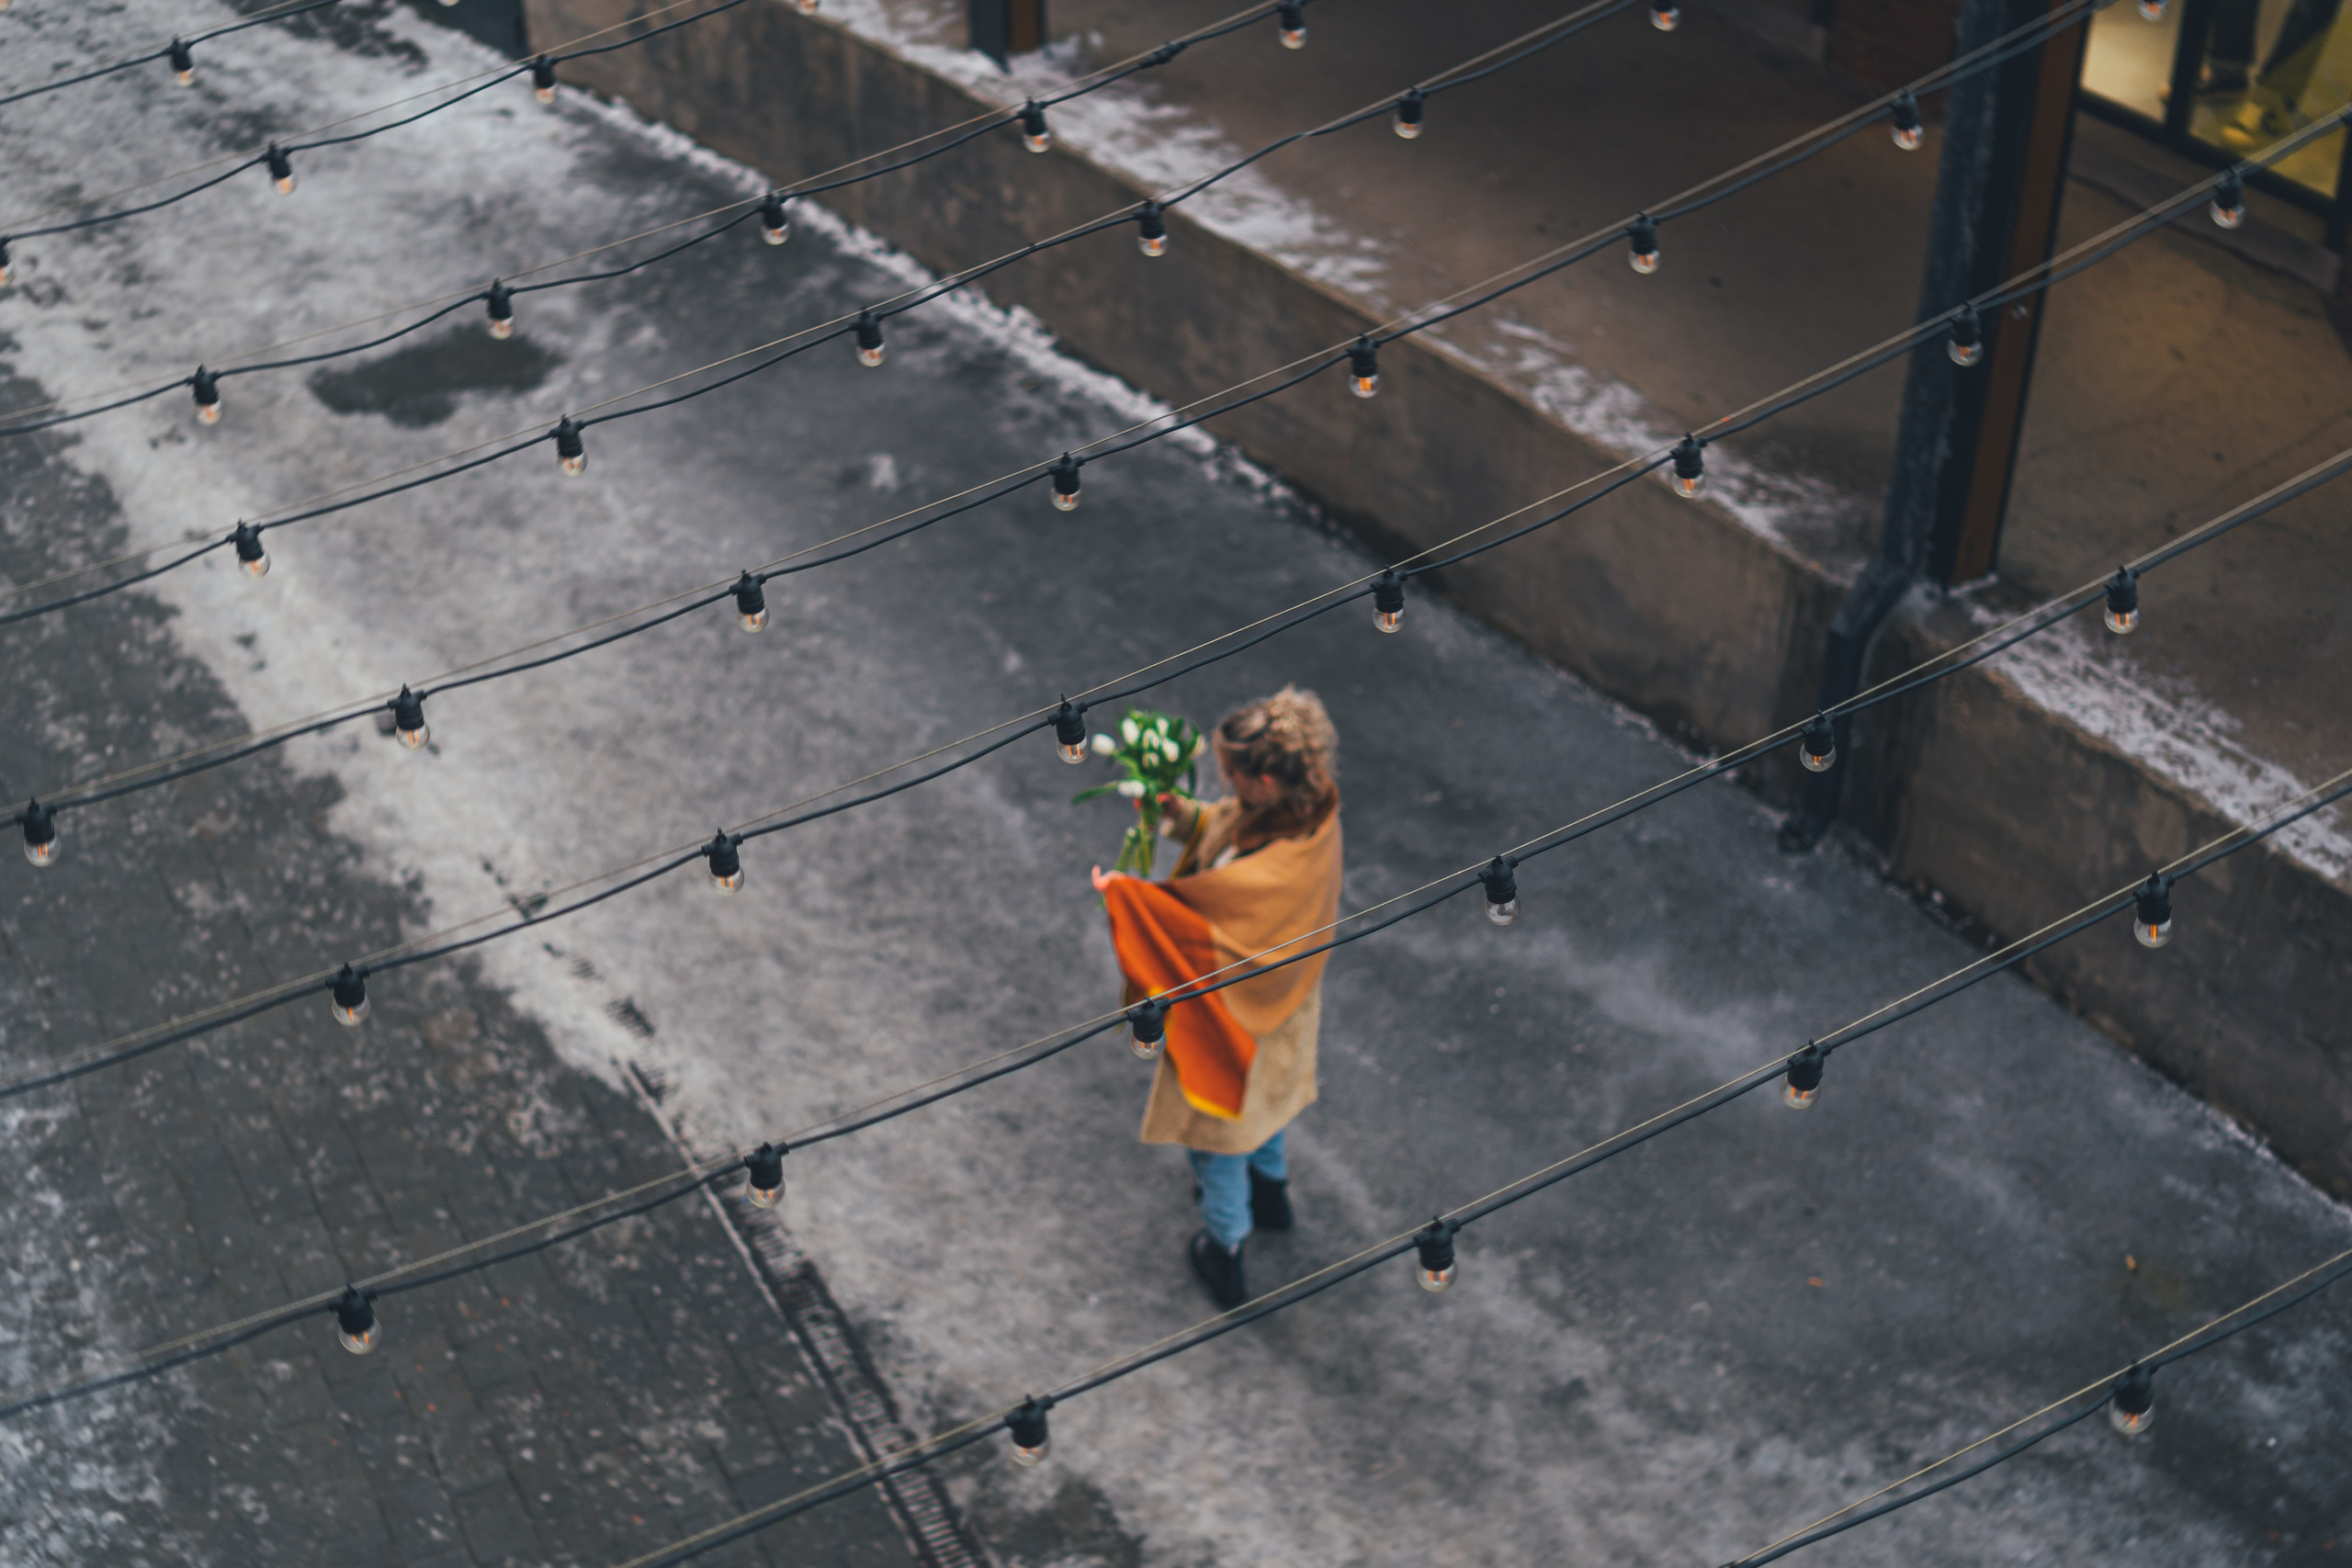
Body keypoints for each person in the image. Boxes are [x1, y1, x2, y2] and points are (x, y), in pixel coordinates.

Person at [1091, 687, 1343, 1310]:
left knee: (1218, 1133)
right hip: (1280, 1014)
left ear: (1262, 779)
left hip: (1235, 1019)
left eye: (1230, 773)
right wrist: (1177, 813)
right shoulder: (1302, 817)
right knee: (1264, 1110)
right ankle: (1272, 1193)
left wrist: (1128, 896)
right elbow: (1219, 827)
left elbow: (1200, 916)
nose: (1222, 783)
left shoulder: (1275, 868)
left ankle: (1225, 1246)